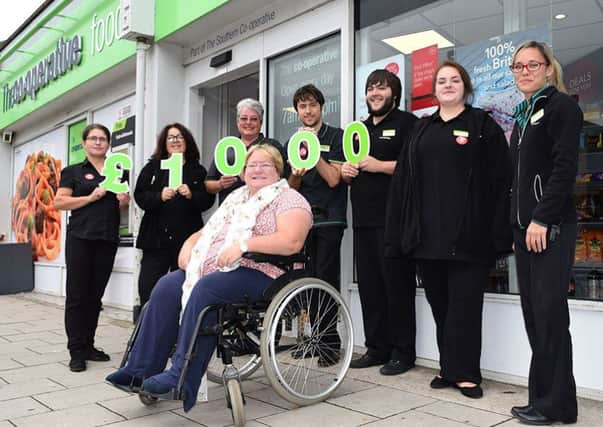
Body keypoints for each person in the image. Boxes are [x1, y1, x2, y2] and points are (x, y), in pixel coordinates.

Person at [106, 144, 312, 412]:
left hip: (264, 272)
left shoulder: (289, 199)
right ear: (243, 171)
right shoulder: (236, 199)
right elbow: (209, 232)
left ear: (278, 171)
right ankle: (140, 370)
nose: (258, 169)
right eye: (252, 165)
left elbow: (291, 241)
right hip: (218, 268)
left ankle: (181, 378)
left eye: (266, 165)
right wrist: (188, 247)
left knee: (208, 289)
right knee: (167, 286)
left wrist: (245, 245)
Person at [385, 60, 512, 398]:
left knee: (465, 307)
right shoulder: (422, 129)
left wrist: (499, 230)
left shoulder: (482, 125)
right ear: (435, 89)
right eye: (442, 80)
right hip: (427, 238)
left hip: (470, 236)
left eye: (455, 79)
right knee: (441, 306)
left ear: (465, 86)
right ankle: (449, 368)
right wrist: (399, 234)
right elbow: (403, 183)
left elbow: (501, 179)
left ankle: (468, 373)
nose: (448, 84)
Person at [508, 41, 581, 425]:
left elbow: (564, 169)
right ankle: (548, 401)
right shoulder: (523, 118)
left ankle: (554, 404)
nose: (524, 71)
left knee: (550, 316)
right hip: (525, 231)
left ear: (549, 68)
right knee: (536, 317)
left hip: (548, 227)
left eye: (532, 64)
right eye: (517, 66)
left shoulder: (561, 107)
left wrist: (542, 218)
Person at [341, 69, 418, 375]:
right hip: (363, 219)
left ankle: (403, 352)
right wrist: (347, 172)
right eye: (371, 88)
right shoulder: (356, 130)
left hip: (395, 220)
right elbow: (349, 165)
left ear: (394, 94)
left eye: (381, 88)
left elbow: (415, 165)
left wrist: (380, 165)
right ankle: (376, 347)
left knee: (397, 286)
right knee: (371, 287)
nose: (375, 93)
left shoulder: (407, 124)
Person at [54, 124, 130, 372]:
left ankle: (88, 344)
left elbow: (120, 205)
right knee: (77, 296)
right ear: (85, 143)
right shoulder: (73, 171)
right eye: (93, 138)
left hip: (107, 238)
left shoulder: (118, 169)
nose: (98, 142)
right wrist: (89, 197)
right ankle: (75, 350)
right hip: (80, 238)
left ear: (108, 144)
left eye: (103, 139)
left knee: (94, 296)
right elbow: (59, 202)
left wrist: (123, 201)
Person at [286, 84, 347, 366]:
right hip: (302, 220)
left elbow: (335, 179)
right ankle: (313, 339)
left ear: (321, 107)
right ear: (297, 111)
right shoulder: (292, 141)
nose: (307, 111)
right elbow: (291, 186)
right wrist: (297, 174)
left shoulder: (336, 136)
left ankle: (329, 344)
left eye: (312, 105)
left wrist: (314, 153)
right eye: (302, 106)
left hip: (329, 220)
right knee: (305, 281)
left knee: (325, 279)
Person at [134, 123, 214, 308]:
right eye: (171, 137)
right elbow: (140, 196)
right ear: (164, 142)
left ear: (187, 142)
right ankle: (147, 331)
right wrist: (158, 196)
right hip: (155, 240)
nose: (175, 141)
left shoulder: (198, 170)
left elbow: (207, 201)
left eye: (179, 137)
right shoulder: (152, 167)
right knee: (148, 287)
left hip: (186, 240)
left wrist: (192, 194)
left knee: (183, 288)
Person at [205, 98, 289, 204]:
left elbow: (286, 180)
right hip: (232, 211)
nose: (248, 123)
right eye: (244, 118)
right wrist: (220, 184)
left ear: (261, 123)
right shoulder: (227, 147)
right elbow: (209, 184)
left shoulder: (272, 146)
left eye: (254, 119)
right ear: (237, 121)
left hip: (265, 207)